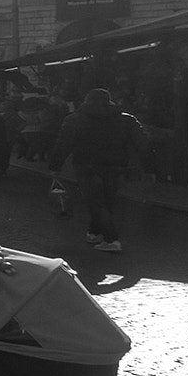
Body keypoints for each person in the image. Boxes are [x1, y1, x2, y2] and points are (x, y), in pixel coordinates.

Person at [47, 88, 150, 253]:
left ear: (86, 100)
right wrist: (147, 166)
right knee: (106, 201)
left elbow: (63, 143)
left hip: (86, 164)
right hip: (115, 165)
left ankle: (111, 239)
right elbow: (142, 143)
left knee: (96, 201)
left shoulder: (74, 119)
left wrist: (55, 166)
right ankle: (94, 232)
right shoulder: (127, 119)